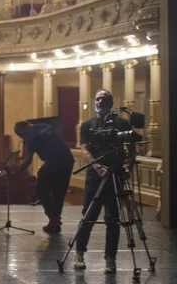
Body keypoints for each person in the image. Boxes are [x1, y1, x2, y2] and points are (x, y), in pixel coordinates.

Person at [73, 89, 134, 274]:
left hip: (115, 175)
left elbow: (130, 149)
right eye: (97, 99)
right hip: (95, 175)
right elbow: (84, 149)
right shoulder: (88, 124)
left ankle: (110, 259)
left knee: (113, 219)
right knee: (88, 216)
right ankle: (80, 253)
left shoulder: (122, 123)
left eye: (104, 99)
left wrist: (127, 167)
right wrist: (96, 166)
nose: (99, 102)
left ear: (111, 102)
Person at [7, 120, 75, 233]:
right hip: (68, 159)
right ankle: (55, 221)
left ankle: (53, 219)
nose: (20, 136)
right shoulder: (45, 126)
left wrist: (15, 175)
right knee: (59, 193)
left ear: (22, 129)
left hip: (54, 162)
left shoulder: (30, 135)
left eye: (19, 134)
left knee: (41, 190)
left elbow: (27, 161)